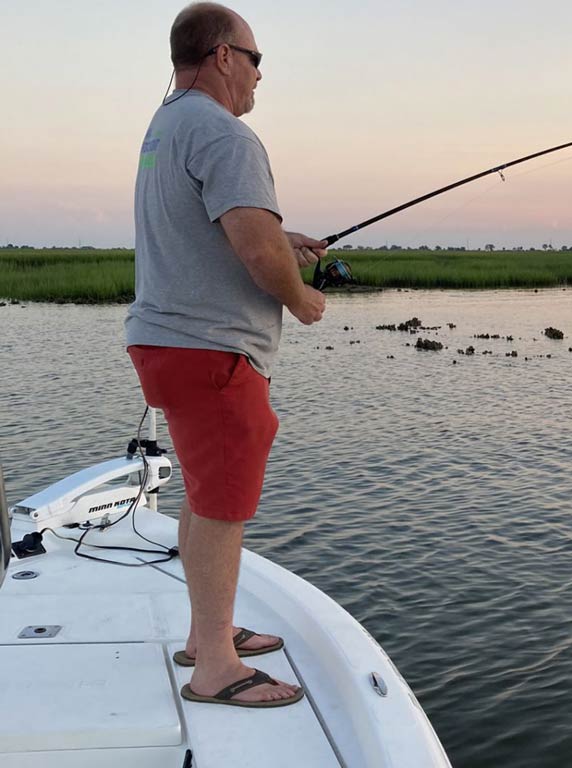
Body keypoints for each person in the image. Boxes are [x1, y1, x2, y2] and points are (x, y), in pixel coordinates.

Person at [125, 2, 326, 708]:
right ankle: (215, 667)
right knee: (223, 507)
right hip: (211, 352)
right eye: (256, 59)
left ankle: (204, 633)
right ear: (221, 56)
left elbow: (224, 226)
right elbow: (252, 245)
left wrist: (280, 232)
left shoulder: (167, 124)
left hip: (166, 343)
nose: (259, 76)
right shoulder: (226, 133)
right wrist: (300, 298)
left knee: (204, 493)